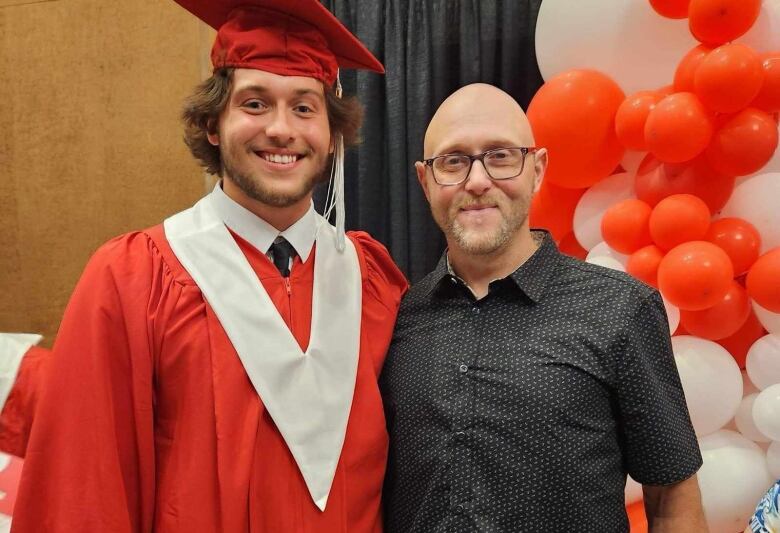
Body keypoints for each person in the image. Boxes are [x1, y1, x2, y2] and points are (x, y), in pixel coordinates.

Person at [11, 1, 407, 531]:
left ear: (331, 133)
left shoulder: (371, 279)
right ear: (214, 125)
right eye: (255, 103)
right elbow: (82, 489)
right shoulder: (133, 281)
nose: (282, 130)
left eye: (305, 107)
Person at [380, 83, 707, 532]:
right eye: (453, 161)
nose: (477, 181)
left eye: (500, 156)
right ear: (425, 180)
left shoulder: (621, 309)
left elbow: (672, 497)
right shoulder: (396, 319)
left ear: (536, 170)